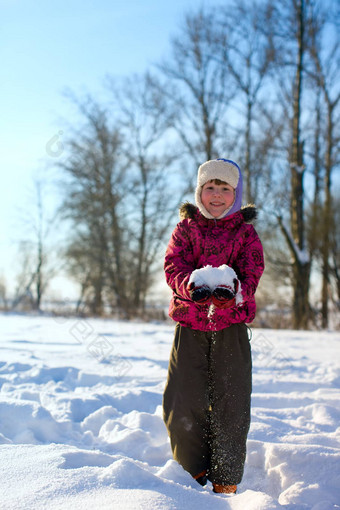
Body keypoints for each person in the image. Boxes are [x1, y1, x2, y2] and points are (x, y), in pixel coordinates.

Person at [163, 158, 264, 494]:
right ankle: (190, 474)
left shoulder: (245, 233)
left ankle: (225, 479)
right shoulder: (186, 229)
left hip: (230, 329)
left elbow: (252, 272)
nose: (217, 195)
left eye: (225, 189)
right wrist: (189, 286)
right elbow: (173, 265)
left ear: (235, 195)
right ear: (199, 191)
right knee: (182, 401)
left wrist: (234, 290)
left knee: (231, 402)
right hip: (190, 327)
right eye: (210, 188)